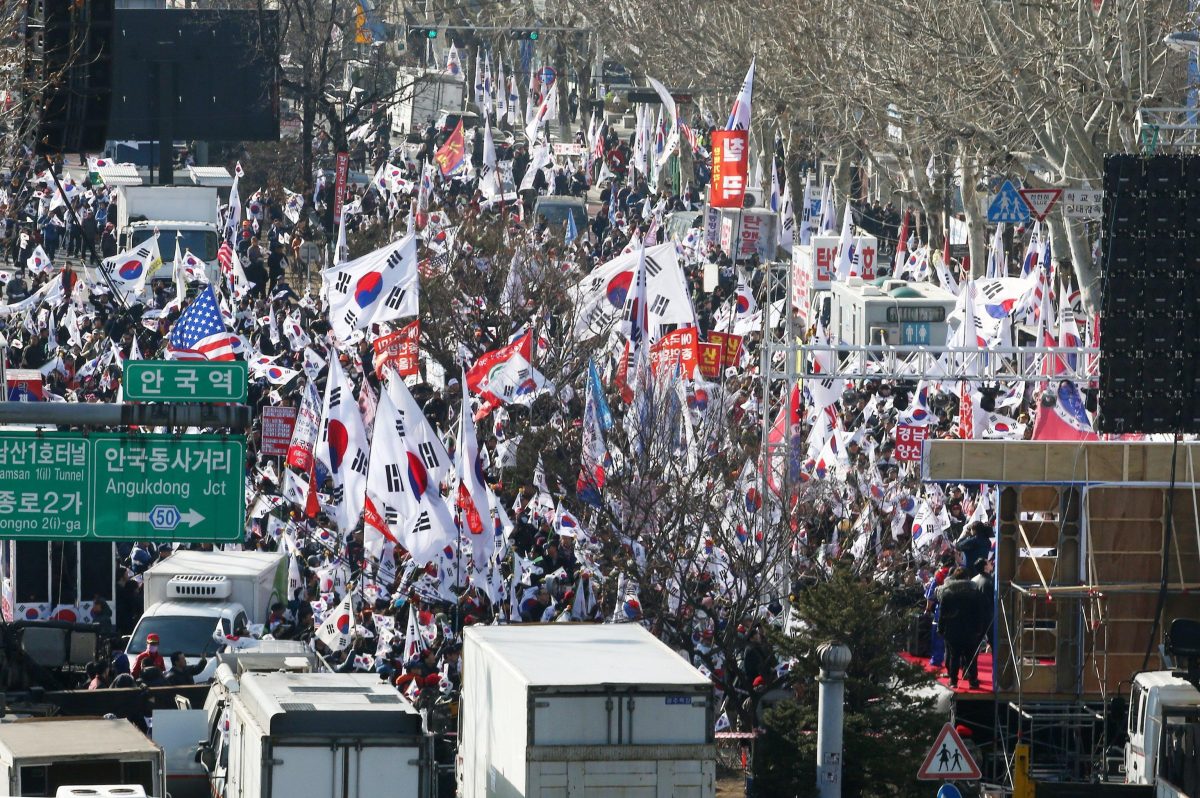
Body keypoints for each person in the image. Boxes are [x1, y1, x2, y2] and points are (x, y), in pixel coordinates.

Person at [937, 568, 983, 689]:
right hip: (970, 630)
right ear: (968, 578)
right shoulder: (975, 593)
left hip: (953, 629)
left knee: (954, 656)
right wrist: (979, 629)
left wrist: (940, 628)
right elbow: (979, 612)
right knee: (971, 657)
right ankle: (973, 681)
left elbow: (942, 613)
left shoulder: (947, 593)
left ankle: (953, 680)